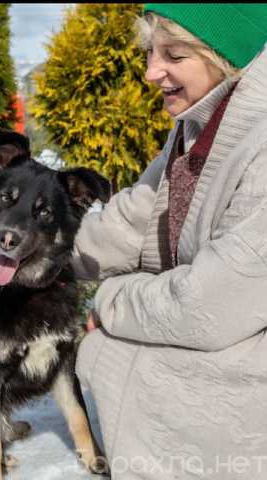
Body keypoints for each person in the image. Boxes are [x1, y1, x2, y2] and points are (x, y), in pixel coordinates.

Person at [72, 4, 267, 479]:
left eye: (173, 55)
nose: (150, 72)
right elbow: (134, 217)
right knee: (104, 350)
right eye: (149, 52)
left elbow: (210, 306)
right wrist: (38, 259)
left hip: (242, 331)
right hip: (230, 317)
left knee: (122, 353)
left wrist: (109, 300)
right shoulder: (199, 126)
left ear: (222, 56)